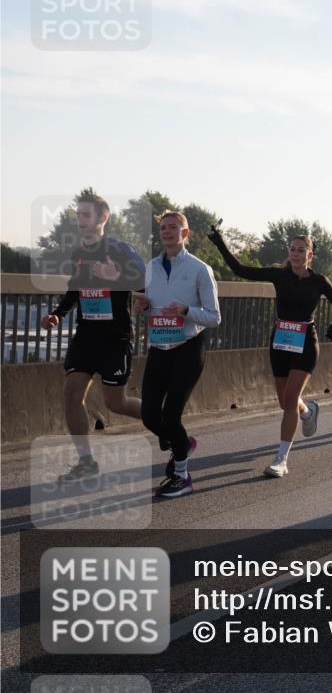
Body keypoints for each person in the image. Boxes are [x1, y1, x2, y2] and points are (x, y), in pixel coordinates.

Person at [208, 226, 332, 477]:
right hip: (280, 342)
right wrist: (220, 243)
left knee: (290, 398)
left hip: (305, 342)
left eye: (301, 250)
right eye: (292, 249)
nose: (295, 253)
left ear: (310, 254)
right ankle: (309, 411)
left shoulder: (318, 281)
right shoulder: (279, 275)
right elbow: (240, 270)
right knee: (285, 402)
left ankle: (281, 459)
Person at [42, 191, 146, 482]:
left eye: (86, 216)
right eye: (78, 216)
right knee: (71, 394)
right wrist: (57, 314)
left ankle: (164, 422)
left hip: (115, 339)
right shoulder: (78, 253)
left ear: (103, 218)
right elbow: (75, 289)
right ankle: (86, 462)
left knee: (117, 403)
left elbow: (144, 279)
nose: (81, 221)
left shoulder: (121, 250)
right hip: (86, 335)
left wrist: (117, 279)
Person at [134, 211, 220, 498]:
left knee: (171, 417)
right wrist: (145, 305)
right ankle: (182, 443)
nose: (167, 231)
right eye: (163, 227)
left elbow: (214, 316)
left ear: (185, 234)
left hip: (189, 346)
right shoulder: (151, 267)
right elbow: (154, 305)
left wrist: (186, 311)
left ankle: (182, 475)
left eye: (173, 227)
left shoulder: (200, 269)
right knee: (149, 416)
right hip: (160, 346)